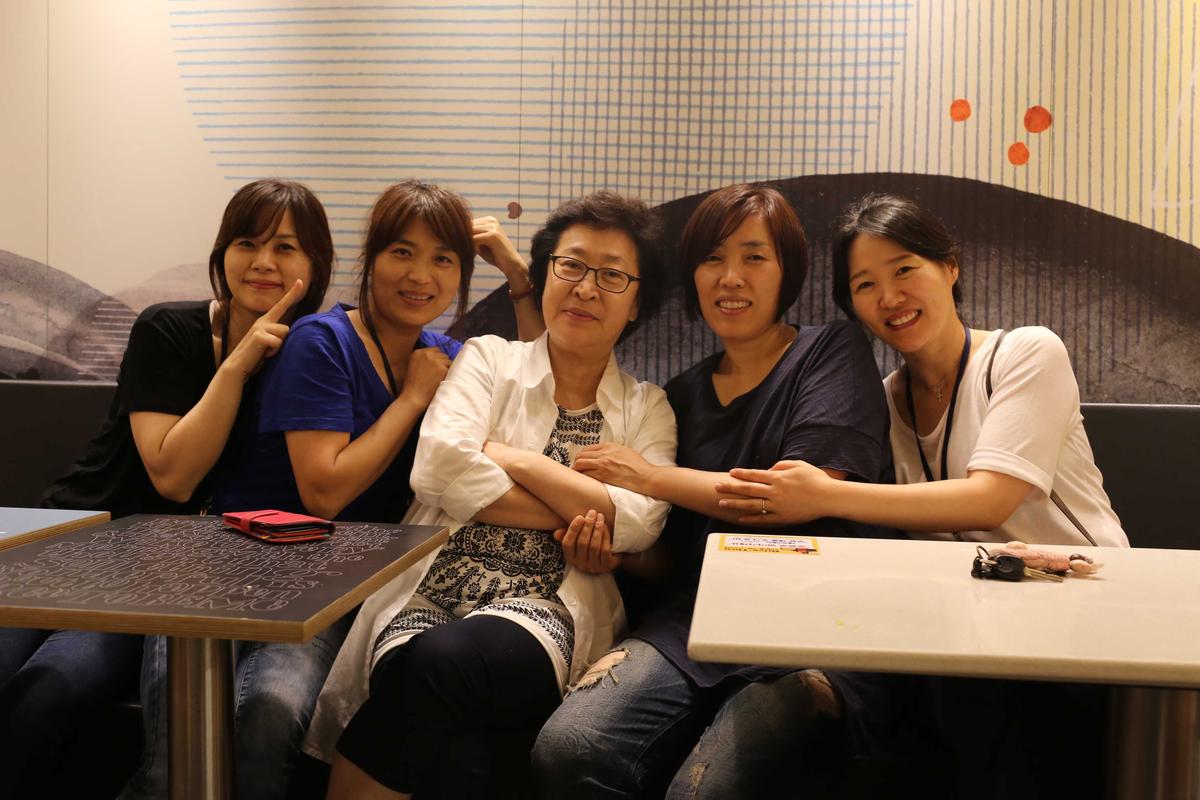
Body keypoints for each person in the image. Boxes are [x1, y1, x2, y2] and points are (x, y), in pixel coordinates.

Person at [714, 192, 1129, 798]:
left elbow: (989, 500)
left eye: (904, 269)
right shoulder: (883, 400)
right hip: (973, 640)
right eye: (865, 285)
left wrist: (823, 496)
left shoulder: (1025, 352)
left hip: (1089, 621)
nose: (889, 297)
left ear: (949, 266)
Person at [122, 179, 498, 800]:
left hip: (331, 581)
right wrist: (410, 400)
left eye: (443, 259)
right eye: (402, 252)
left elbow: (536, 382)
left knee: (270, 710)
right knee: (177, 753)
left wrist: (518, 277)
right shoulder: (321, 340)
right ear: (371, 259)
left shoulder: (443, 353)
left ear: (461, 274)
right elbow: (324, 492)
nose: (420, 275)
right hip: (227, 562)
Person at [303, 191, 677, 800]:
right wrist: (581, 502)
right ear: (545, 274)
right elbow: (438, 469)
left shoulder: (648, 406)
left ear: (637, 304)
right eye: (571, 265)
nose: (586, 288)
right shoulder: (486, 357)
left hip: (546, 605)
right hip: (432, 586)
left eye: (612, 276)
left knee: (440, 665)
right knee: (459, 748)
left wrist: (516, 459)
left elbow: (638, 525)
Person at [532, 183, 896, 800]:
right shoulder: (677, 397)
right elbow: (669, 555)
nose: (731, 277)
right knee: (568, 749)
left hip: (818, 625)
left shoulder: (831, 350)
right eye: (712, 259)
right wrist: (615, 555)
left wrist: (644, 475)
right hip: (697, 623)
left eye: (754, 257)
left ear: (787, 273)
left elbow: (789, 497)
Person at [1, 178, 333, 800]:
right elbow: (170, 471)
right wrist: (235, 365)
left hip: (147, 580)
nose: (263, 261)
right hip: (68, 541)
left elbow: (179, 491)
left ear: (315, 265)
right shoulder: (169, 328)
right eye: (246, 242)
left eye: (285, 247)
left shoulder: (312, 357)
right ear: (222, 252)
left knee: (48, 692)